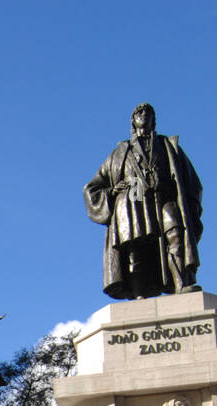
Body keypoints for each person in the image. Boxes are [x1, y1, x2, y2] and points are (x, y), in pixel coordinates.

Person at [83, 102, 203, 301]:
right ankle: (138, 292)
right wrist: (112, 192)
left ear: (154, 119)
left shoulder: (168, 145)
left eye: (148, 112)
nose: (144, 115)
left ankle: (180, 283)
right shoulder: (120, 151)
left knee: (175, 234)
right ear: (133, 119)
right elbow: (92, 187)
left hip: (163, 197)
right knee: (135, 247)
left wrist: (190, 206)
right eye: (139, 112)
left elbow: (192, 182)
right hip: (133, 200)